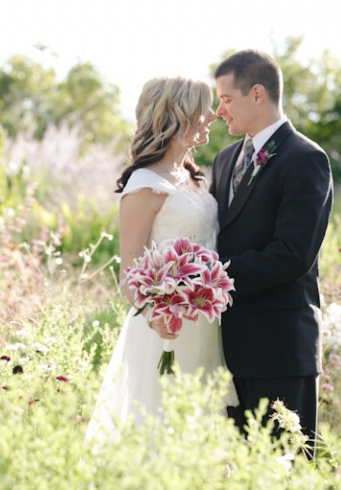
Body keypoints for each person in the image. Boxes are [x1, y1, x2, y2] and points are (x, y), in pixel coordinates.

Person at [86, 76, 238, 442]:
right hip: (166, 328)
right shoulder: (143, 184)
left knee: (203, 426)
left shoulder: (193, 175)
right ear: (179, 113)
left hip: (207, 321)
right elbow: (129, 272)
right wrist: (156, 316)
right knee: (163, 426)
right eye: (205, 108)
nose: (214, 115)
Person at [210, 49, 334, 455]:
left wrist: (212, 278)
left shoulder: (305, 159)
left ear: (258, 93)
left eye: (226, 99)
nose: (219, 110)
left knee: (283, 478)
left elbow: (292, 255)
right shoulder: (226, 159)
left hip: (279, 350)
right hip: (225, 352)